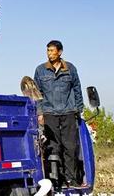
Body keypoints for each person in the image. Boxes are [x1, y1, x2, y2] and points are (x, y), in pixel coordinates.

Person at [34, 40, 84, 187]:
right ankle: (57, 180)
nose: (49, 54)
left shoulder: (70, 69)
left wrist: (79, 108)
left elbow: (77, 88)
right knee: (53, 147)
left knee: (70, 147)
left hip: (68, 112)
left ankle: (71, 180)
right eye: (48, 51)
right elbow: (37, 93)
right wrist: (40, 113)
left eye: (52, 51)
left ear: (60, 52)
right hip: (49, 113)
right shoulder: (40, 70)